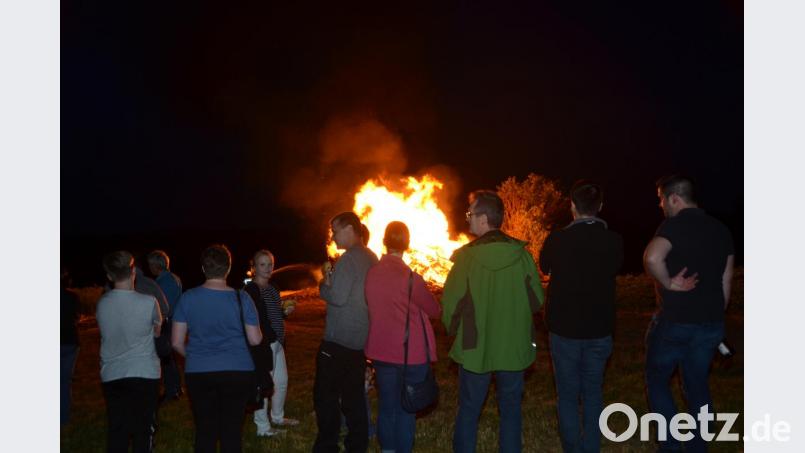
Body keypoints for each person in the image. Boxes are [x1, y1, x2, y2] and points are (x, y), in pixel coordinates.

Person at [441, 190, 545, 453]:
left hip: (475, 349)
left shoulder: (465, 259)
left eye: (470, 215)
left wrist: (451, 332)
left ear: (484, 218)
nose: (468, 220)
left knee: (469, 410)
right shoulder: (521, 256)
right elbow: (537, 301)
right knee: (510, 410)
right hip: (513, 348)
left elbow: (451, 307)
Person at [643, 175, 734, 453]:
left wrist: (669, 283)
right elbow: (726, 280)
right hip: (709, 324)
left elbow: (651, 257)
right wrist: (715, 313)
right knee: (697, 386)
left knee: (658, 381)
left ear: (674, 198)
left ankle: (670, 445)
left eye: (661, 199)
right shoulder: (721, 230)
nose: (660, 205)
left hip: (675, 322)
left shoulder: (673, 225)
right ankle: (697, 447)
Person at [539, 180, 623, 453]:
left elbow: (545, 268)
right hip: (599, 328)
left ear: (572, 206)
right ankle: (591, 447)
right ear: (600, 207)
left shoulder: (558, 239)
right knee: (593, 391)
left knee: (567, 394)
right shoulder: (614, 240)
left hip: (564, 329)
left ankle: (573, 447)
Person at [171, 244, 263, 453]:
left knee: (205, 431)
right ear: (228, 268)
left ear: (203, 268)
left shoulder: (188, 298)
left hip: (199, 372)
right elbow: (256, 339)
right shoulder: (243, 298)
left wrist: (195, 355)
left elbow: (176, 342)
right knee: (232, 432)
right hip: (237, 371)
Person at [365, 221, 442, 453]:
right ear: (407, 244)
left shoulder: (371, 274)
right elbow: (434, 310)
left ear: (384, 242)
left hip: (381, 351)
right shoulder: (411, 278)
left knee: (387, 406)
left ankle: (387, 449)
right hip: (411, 354)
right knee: (407, 409)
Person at [313, 212, 378, 453]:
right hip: (359, 341)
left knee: (325, 397)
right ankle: (356, 446)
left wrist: (323, 285)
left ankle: (327, 446)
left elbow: (338, 297)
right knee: (354, 399)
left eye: (335, 230)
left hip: (337, 341)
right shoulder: (372, 257)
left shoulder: (349, 259)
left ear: (350, 229)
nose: (332, 236)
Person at [95, 251, 162, 453]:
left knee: (117, 430)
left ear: (109, 275)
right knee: (143, 430)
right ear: (134, 271)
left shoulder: (102, 304)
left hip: (113, 373)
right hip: (144, 372)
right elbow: (157, 332)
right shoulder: (149, 302)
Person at [244, 249, 299, 437]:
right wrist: (265, 340)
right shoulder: (251, 290)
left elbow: (275, 314)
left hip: (278, 343)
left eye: (270, 264)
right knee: (265, 385)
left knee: (281, 382)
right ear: (253, 267)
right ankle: (263, 427)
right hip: (264, 345)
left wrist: (285, 312)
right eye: (262, 264)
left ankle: (277, 417)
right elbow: (253, 319)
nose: (267, 268)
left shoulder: (273, 288)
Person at [147, 250, 184, 402]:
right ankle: (176, 388)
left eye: (150, 264)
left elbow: (164, 308)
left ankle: (171, 391)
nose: (149, 267)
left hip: (167, 323)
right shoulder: (173, 278)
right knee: (170, 358)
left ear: (156, 265)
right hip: (174, 321)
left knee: (166, 358)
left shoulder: (163, 282)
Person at [61, 268, 80, 426]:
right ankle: (64, 416)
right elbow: (77, 317)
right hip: (70, 341)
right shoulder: (73, 297)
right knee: (65, 381)